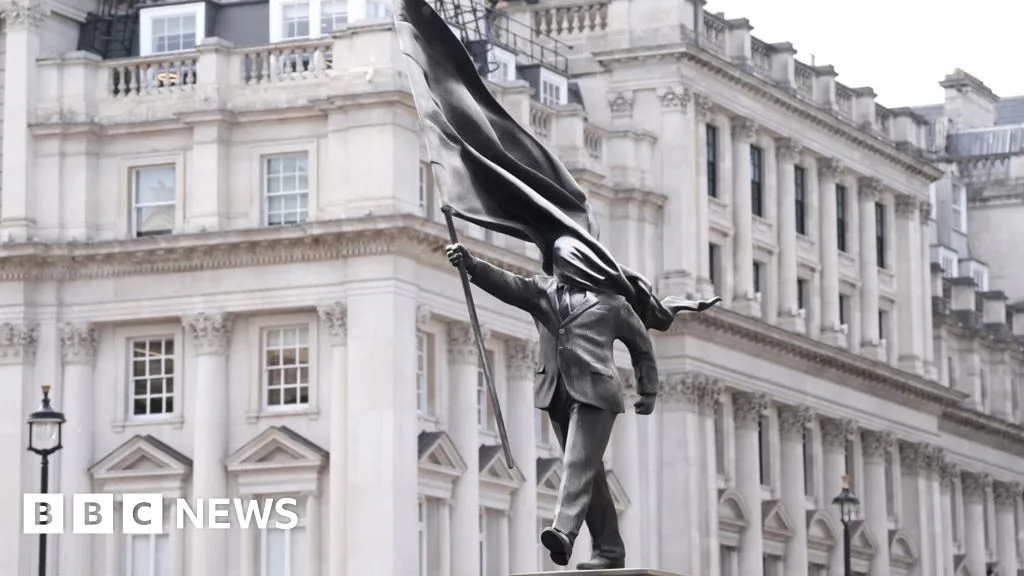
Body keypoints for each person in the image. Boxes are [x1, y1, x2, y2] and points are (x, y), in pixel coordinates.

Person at [445, 236, 658, 570]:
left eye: (565, 263)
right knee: (592, 474)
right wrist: (471, 265)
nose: (559, 269)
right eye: (557, 264)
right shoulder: (542, 291)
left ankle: (563, 533)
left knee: (576, 463)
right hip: (555, 391)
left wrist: (648, 390)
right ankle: (611, 550)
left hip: (597, 394)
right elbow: (508, 284)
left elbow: (642, 346)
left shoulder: (612, 304)